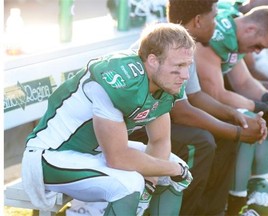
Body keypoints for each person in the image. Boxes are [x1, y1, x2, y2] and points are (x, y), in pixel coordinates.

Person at [21, 23, 195, 216]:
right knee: (129, 185)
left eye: (188, 65)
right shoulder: (120, 79)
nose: (185, 75)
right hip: (51, 156)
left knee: (179, 175)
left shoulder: (163, 81)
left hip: (94, 152)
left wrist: (152, 181)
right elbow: (117, 157)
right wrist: (171, 169)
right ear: (153, 60)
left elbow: (159, 140)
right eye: (179, 66)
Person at [129, 0, 268, 215]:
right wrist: (238, 132)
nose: (217, 23)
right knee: (201, 142)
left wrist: (235, 117)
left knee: (223, 135)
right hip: (132, 128)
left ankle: (211, 211)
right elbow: (182, 112)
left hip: (158, 121)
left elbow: (195, 96)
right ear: (198, 20)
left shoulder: (183, 42)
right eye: (213, 17)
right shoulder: (169, 44)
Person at [195, 5, 268, 215]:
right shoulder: (218, 37)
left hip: (200, 96)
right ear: (251, 29)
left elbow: (244, 82)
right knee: (246, 121)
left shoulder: (236, 31)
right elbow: (215, 94)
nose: (257, 52)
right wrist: (263, 107)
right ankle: (233, 201)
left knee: (262, 118)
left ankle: (257, 187)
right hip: (179, 101)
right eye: (258, 46)